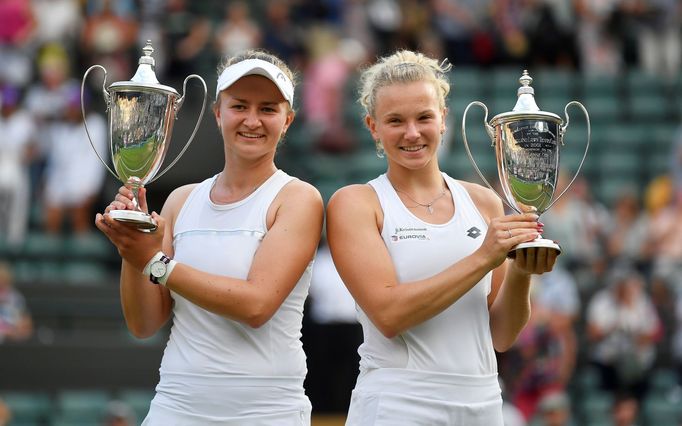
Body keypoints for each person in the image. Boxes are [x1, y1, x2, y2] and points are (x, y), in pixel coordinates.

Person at [325, 49, 557, 425]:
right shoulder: (356, 203)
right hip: (398, 403)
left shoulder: (483, 201)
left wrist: (520, 268)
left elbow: (501, 335)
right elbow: (389, 314)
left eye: (424, 117)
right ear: (373, 126)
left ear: (444, 119)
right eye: (395, 120)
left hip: (481, 401)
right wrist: (485, 257)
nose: (412, 132)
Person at [95, 49, 324, 425]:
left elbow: (256, 306)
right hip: (176, 406)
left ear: (288, 121)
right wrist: (130, 247)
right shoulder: (181, 200)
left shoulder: (298, 198)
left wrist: (155, 262)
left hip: (266, 412)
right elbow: (143, 324)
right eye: (240, 106)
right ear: (218, 113)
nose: (252, 120)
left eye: (268, 108)